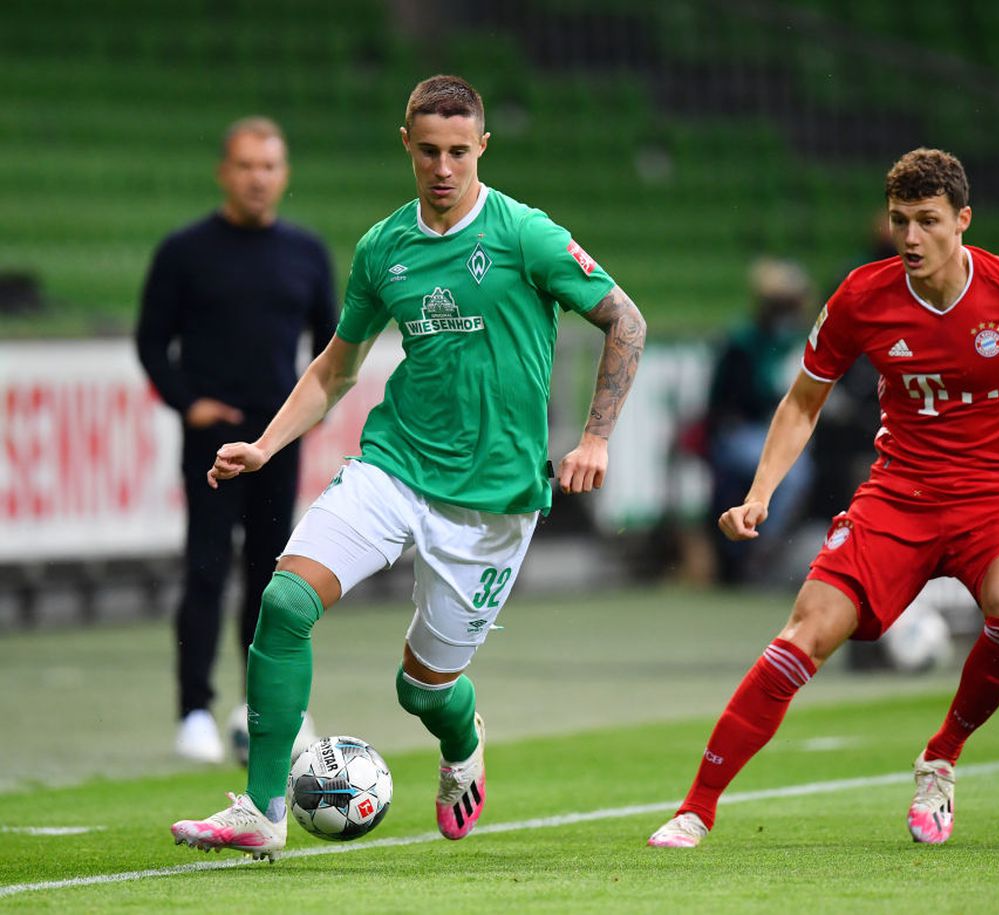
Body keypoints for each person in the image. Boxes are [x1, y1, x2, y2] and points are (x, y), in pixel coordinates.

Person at [170, 75, 646, 860]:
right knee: (284, 602)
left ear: (482, 146)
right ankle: (262, 808)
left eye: (459, 151)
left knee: (420, 688)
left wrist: (596, 438)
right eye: (428, 151)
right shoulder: (384, 248)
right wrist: (266, 444)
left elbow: (625, 319)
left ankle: (462, 741)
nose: (443, 167)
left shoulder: (525, 234)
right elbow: (335, 368)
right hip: (395, 466)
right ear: (406, 145)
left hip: (494, 502)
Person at [647, 148, 999, 848]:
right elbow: (803, 401)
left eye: (928, 220)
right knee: (805, 633)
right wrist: (759, 493)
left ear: (962, 220)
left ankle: (941, 756)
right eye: (900, 220)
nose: (911, 237)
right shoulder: (863, 297)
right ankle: (696, 808)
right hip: (901, 495)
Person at [137, 117, 336, 765]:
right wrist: (188, 403)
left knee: (271, 575)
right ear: (225, 172)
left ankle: (260, 707)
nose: (258, 178)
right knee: (206, 568)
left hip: (274, 442)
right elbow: (151, 341)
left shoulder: (306, 252)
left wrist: (306, 415)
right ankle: (193, 709)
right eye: (246, 165)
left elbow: (332, 344)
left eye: (269, 166)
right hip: (213, 442)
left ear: (284, 175)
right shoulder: (185, 251)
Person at [704, 258, 814, 584]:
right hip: (740, 430)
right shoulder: (743, 342)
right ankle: (761, 548)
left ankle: (774, 545)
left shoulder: (795, 341)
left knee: (808, 464)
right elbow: (731, 398)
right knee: (793, 474)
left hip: (773, 427)